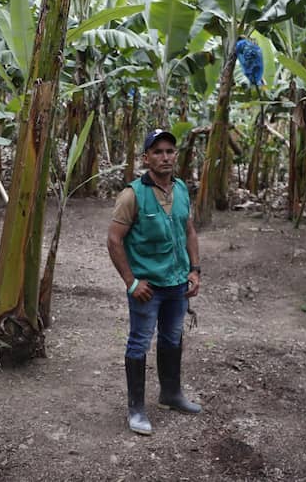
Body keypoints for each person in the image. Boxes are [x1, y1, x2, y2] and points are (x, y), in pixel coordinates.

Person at [106, 128, 202, 435]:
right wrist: (131, 282)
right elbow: (114, 240)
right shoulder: (132, 195)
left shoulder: (182, 189)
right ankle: (136, 410)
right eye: (158, 152)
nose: (165, 157)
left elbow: (188, 231)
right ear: (146, 158)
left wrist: (195, 269)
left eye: (169, 151)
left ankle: (170, 394)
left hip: (176, 284)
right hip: (148, 288)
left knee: (172, 338)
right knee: (139, 341)